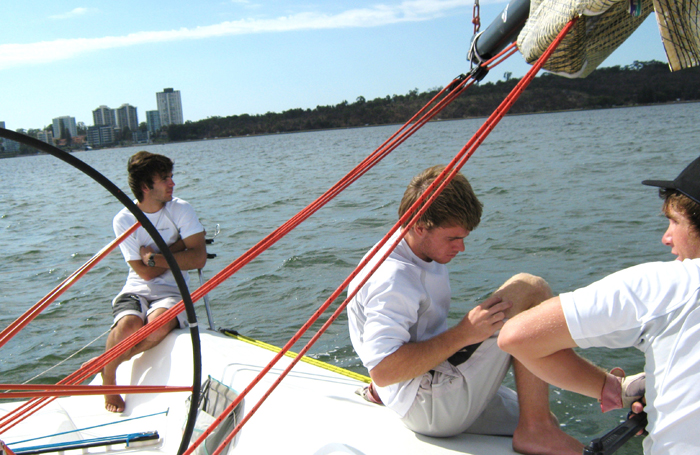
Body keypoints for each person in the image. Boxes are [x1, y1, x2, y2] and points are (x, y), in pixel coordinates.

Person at [347, 165, 583, 455]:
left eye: (464, 237)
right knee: (530, 289)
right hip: (427, 406)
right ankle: (551, 419)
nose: (461, 248)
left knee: (548, 417)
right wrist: (463, 334)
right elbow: (383, 370)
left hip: (419, 391)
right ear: (419, 226)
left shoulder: (411, 245)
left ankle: (540, 423)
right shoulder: (393, 278)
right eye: (452, 238)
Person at [498, 155, 700, 455]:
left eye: (675, 221)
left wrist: (613, 390)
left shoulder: (669, 284)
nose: (666, 238)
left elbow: (516, 337)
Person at [101, 151, 207, 413]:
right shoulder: (124, 220)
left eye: (171, 177)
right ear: (146, 187)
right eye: (165, 179)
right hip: (136, 288)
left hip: (172, 291)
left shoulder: (180, 209)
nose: (172, 183)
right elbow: (144, 274)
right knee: (129, 324)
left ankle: (108, 365)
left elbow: (198, 258)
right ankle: (110, 380)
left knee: (157, 326)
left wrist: (153, 257)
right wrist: (175, 252)